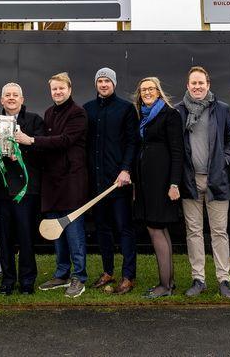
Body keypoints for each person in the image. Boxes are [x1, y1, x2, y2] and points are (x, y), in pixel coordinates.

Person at [16, 72, 88, 298]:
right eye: (54, 89)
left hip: (72, 181)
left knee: (74, 231)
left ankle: (79, 277)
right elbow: (47, 148)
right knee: (55, 230)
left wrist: (32, 140)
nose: (57, 92)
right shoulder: (48, 113)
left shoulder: (78, 113)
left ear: (69, 89)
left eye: (61, 88)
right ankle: (62, 274)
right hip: (52, 182)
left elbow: (65, 141)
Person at [176, 66, 230, 299]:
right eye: (193, 83)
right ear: (188, 86)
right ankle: (198, 279)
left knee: (219, 232)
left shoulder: (221, 109)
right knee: (194, 232)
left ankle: (224, 280)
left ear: (208, 85)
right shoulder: (179, 111)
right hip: (190, 181)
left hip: (216, 180)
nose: (197, 86)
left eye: (201, 83)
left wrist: (226, 159)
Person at [83, 67, 138, 294]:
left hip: (119, 182)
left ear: (113, 83)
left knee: (124, 228)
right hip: (97, 183)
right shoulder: (88, 109)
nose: (103, 84)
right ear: (96, 84)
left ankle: (128, 276)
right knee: (102, 229)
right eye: (100, 81)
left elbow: (133, 143)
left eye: (107, 81)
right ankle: (108, 272)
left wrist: (126, 169)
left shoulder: (125, 108)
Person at [132, 77, 183, 299]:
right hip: (146, 183)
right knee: (158, 229)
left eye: (151, 89)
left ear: (159, 91)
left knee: (157, 229)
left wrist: (174, 183)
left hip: (162, 182)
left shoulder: (170, 115)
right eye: (143, 90)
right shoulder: (141, 116)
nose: (147, 93)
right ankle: (168, 283)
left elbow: (177, 152)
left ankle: (164, 285)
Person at [0, 83, 44, 295]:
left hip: (26, 189)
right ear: (1, 100)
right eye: (7, 95)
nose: (11, 98)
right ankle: (7, 280)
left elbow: (42, 151)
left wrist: (22, 150)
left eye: (15, 95)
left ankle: (27, 281)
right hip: (1, 188)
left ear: (22, 99)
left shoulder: (34, 120)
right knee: (4, 239)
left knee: (25, 237)